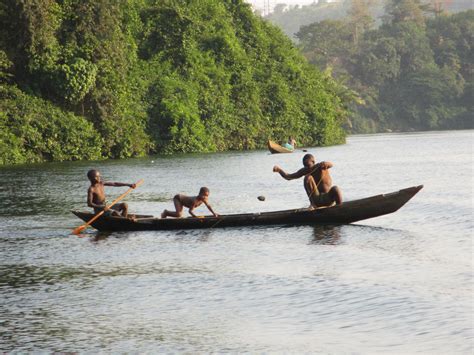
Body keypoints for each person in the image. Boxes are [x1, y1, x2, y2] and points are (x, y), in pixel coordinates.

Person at [273, 153, 343, 208]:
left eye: (308, 165)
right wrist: (279, 170)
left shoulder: (320, 166)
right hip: (317, 199)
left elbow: (331, 164)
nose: (308, 168)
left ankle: (339, 208)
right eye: (305, 166)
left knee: (335, 189)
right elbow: (288, 177)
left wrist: (326, 163)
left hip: (328, 198)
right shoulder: (305, 171)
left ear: (313, 162)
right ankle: (312, 204)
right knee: (307, 177)